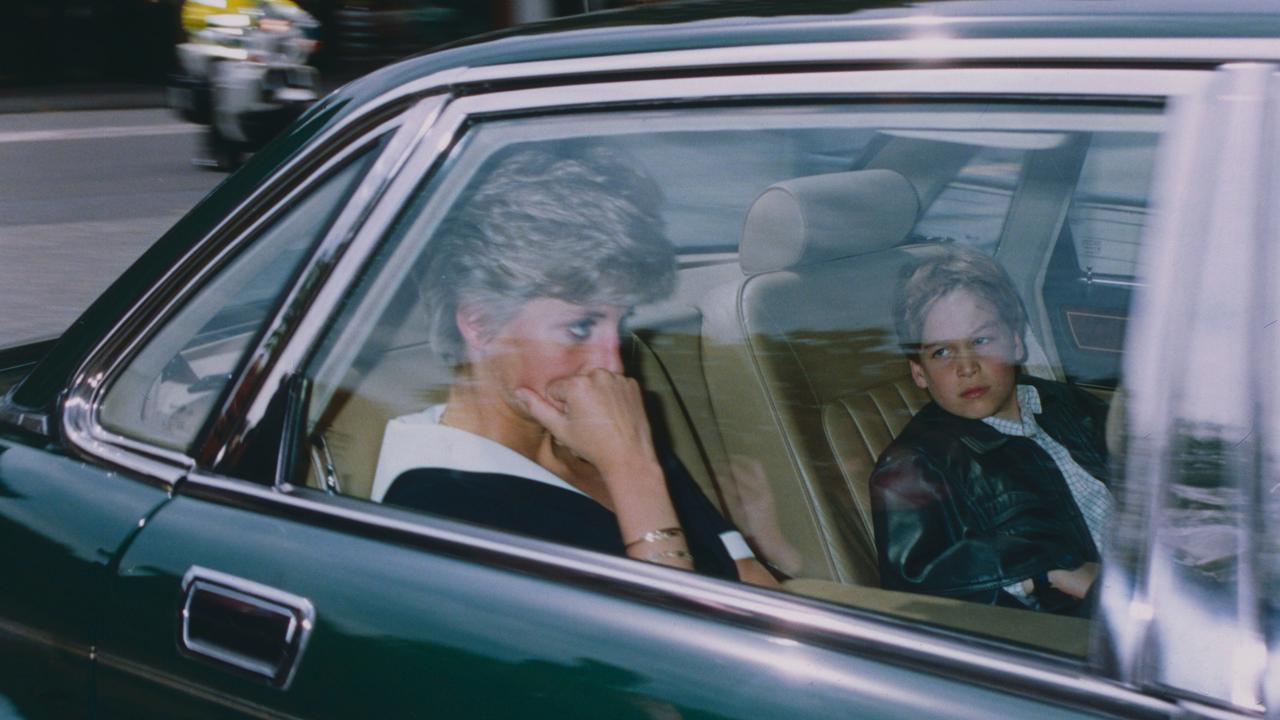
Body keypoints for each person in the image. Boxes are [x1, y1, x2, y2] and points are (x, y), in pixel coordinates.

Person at [371, 145, 777, 587]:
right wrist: (632, 470)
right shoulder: (439, 507)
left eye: (621, 323)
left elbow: (748, 577)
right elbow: (662, 643)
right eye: (580, 327)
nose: (612, 363)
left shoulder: (597, 422)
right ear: (480, 324)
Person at [869, 246, 1113, 615]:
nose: (966, 367)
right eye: (942, 353)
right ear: (918, 371)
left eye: (981, 341)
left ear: (1016, 343)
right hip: (1074, 631)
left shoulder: (1068, 408)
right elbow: (916, 583)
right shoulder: (914, 467)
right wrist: (1046, 571)